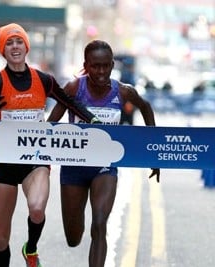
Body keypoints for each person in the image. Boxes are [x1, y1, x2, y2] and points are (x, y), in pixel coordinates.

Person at [0, 23, 99, 267]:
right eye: (8, 43)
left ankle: (31, 248)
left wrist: (92, 119)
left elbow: (68, 101)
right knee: (1, 239)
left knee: (37, 209)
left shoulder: (42, 79)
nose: (14, 47)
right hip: (5, 163)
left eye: (18, 42)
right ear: (2, 51)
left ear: (26, 46)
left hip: (35, 159)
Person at [47, 40, 160, 267]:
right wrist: (39, 161)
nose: (101, 72)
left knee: (99, 223)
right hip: (73, 168)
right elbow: (50, 125)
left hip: (105, 167)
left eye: (106, 66)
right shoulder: (72, 89)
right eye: (95, 66)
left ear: (112, 65)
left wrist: (153, 154)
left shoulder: (123, 91)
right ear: (86, 65)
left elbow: (146, 108)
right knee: (73, 238)